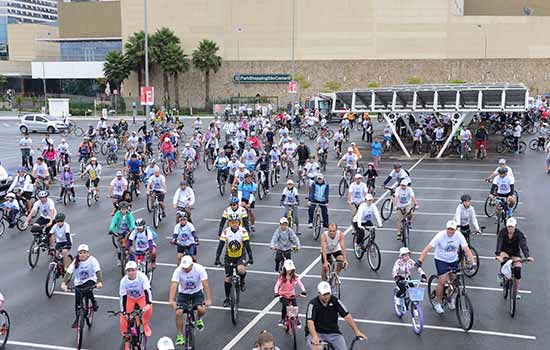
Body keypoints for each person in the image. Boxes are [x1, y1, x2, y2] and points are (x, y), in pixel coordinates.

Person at [417, 220, 477, 314]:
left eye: (452, 229)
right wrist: (420, 261)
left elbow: (467, 249)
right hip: (441, 260)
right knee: (442, 280)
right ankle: (437, 302)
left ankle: (449, 298)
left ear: (455, 229)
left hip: (453, 260)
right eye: (449, 229)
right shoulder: (440, 235)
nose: (450, 231)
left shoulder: (459, 236)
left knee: (454, 282)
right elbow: (428, 248)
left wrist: (474, 263)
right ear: (446, 228)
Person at [305, 281, 366, 350]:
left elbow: (347, 316)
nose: (327, 296)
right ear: (319, 293)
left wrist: (356, 331)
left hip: (333, 332)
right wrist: (315, 336)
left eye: (328, 294)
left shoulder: (335, 301)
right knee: (316, 348)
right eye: (324, 294)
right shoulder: (312, 304)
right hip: (317, 332)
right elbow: (310, 322)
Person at [169, 255, 212, 345]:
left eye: (187, 268)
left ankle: (199, 319)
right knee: (178, 312)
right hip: (183, 295)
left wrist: (208, 299)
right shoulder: (178, 270)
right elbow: (174, 284)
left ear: (192, 265)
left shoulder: (199, 269)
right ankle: (180, 336)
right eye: (183, 267)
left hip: (197, 293)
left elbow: (205, 284)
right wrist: (171, 300)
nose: (185, 269)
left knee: (201, 309)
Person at [215, 213, 254, 306]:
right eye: (232, 222)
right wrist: (217, 258)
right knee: (228, 279)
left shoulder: (243, 231)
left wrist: (251, 257)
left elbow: (247, 245)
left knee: (241, 269)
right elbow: (220, 245)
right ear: (229, 223)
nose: (234, 224)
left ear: (239, 222)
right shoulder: (226, 232)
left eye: (236, 222)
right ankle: (227, 298)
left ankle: (242, 280)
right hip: (229, 257)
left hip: (240, 255)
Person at [62, 244, 103, 328]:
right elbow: (68, 272)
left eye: (84, 252)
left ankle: (93, 300)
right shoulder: (75, 261)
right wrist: (64, 283)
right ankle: (78, 318)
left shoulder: (92, 260)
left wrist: (99, 282)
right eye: (80, 253)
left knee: (87, 289)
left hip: (90, 279)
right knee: (77, 301)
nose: (82, 254)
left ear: (88, 253)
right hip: (79, 282)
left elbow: (98, 271)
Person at [495, 217, 534, 298]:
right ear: (506, 226)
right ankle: (501, 273)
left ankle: (516, 291)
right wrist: (498, 255)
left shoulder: (519, 234)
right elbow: (499, 243)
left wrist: (528, 256)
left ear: (515, 226)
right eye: (509, 226)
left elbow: (523, 245)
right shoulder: (502, 232)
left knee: (517, 270)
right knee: (503, 261)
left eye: (512, 227)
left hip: (515, 254)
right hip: (504, 252)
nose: (510, 228)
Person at [119, 261, 153, 338]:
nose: (131, 273)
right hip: (130, 298)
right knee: (124, 317)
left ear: (136, 270)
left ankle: (145, 324)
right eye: (129, 271)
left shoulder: (142, 277)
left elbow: (147, 290)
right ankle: (126, 337)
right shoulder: (123, 281)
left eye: (133, 270)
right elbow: (122, 297)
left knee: (149, 309)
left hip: (141, 297)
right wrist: (123, 311)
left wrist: (148, 303)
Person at [274, 259, 306, 327]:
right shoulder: (282, 277)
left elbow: (300, 284)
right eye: (288, 269)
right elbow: (277, 285)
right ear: (285, 268)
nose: (290, 271)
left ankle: (297, 320)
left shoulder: (294, 276)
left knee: (295, 306)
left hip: (291, 294)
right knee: (285, 306)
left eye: (291, 269)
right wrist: (276, 292)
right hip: (283, 295)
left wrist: (303, 290)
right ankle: (282, 319)